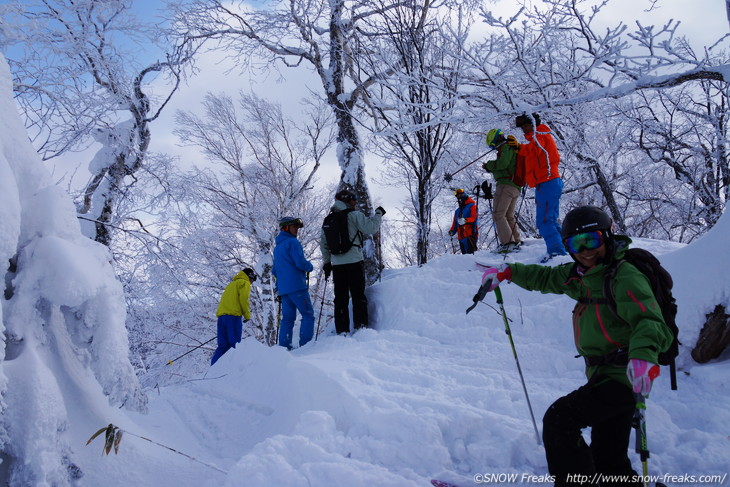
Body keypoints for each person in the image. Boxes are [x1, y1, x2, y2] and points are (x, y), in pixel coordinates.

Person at [479, 206, 672, 486]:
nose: (585, 250)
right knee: (608, 459)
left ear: (607, 237)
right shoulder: (582, 275)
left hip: (625, 376)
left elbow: (649, 321)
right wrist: (508, 271)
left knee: (560, 422)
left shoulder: (624, 276)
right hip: (603, 375)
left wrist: (643, 357)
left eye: (592, 240)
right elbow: (545, 278)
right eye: (575, 244)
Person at [320, 189, 385, 335]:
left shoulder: (328, 220)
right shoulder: (354, 215)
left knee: (340, 299)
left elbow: (324, 244)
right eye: (354, 200)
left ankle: (342, 331)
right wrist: (379, 214)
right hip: (354, 262)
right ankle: (360, 328)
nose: (355, 202)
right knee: (358, 295)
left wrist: (327, 263)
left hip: (337, 265)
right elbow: (371, 228)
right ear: (348, 200)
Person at [508, 113, 567, 262]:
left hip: (547, 182)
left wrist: (518, 147)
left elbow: (533, 150)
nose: (523, 130)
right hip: (549, 182)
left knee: (544, 221)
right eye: (522, 127)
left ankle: (557, 254)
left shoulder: (540, 136)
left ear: (533, 124)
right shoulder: (540, 137)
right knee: (551, 219)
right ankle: (564, 249)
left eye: (525, 126)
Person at [272, 216, 315, 350]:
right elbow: (300, 263)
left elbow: (274, 271)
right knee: (308, 315)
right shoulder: (292, 242)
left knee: (287, 319)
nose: (297, 230)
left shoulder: (277, 248)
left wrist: (279, 287)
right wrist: (309, 266)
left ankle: (284, 348)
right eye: (294, 227)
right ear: (286, 227)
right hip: (297, 287)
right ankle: (306, 346)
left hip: (284, 291)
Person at [483, 128, 523, 253]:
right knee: (508, 215)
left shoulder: (506, 147)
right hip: (515, 186)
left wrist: (489, 166)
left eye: (492, 146)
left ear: (494, 140)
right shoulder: (511, 147)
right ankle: (516, 240)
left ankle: (508, 243)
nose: (493, 149)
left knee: (498, 214)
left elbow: (503, 164)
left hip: (505, 185)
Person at [211, 268, 256, 365]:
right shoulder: (244, 283)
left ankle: (213, 368)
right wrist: (247, 315)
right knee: (234, 344)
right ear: (250, 277)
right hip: (233, 317)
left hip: (221, 317)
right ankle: (231, 369)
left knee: (222, 345)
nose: (252, 283)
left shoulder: (230, 285)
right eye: (252, 280)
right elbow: (244, 300)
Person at [448, 188, 478, 254]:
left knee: (471, 254)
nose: (459, 197)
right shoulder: (457, 211)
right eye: (458, 196)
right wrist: (452, 231)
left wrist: (465, 220)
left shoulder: (472, 206)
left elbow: (474, 218)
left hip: (470, 234)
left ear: (464, 195)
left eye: (461, 195)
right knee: (464, 256)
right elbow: (455, 224)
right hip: (461, 237)